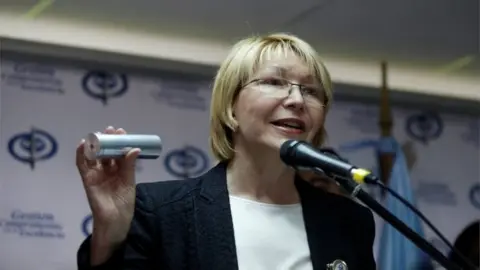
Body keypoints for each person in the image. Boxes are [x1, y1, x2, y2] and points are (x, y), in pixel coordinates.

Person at [76, 33, 376, 270]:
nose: (297, 99)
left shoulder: (348, 221)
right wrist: (110, 236)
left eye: (311, 90)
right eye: (274, 82)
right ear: (231, 108)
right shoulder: (161, 210)